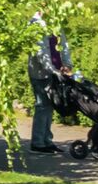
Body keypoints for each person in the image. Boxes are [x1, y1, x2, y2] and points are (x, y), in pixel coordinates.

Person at [27, 11, 70, 153]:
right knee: (42, 106)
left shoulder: (55, 22)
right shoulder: (36, 24)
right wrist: (52, 70)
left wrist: (67, 64)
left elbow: (63, 45)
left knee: (49, 106)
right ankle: (38, 143)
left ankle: (47, 141)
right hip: (40, 73)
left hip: (55, 72)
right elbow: (40, 53)